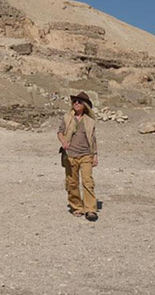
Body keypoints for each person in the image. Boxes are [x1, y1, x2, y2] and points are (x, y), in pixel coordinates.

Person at [57, 91, 99, 221]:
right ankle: (77, 207)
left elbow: (93, 139)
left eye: (79, 102)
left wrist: (95, 155)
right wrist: (63, 142)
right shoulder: (67, 118)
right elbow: (60, 132)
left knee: (88, 181)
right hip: (70, 155)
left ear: (85, 105)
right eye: (74, 101)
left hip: (86, 154)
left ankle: (91, 209)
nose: (76, 103)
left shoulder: (90, 121)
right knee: (72, 183)